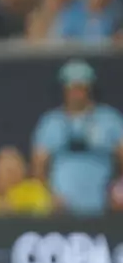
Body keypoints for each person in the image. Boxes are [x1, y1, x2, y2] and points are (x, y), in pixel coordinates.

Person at [31, 60, 123, 216]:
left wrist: (118, 191)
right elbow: (38, 166)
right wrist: (49, 196)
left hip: (103, 206)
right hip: (63, 208)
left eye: (81, 88)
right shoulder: (51, 122)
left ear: (89, 89)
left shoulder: (109, 119)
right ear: (64, 89)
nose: (76, 93)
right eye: (72, 88)